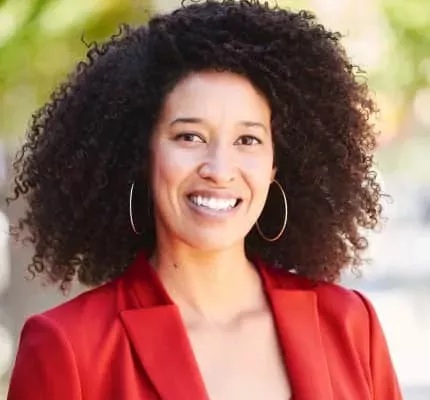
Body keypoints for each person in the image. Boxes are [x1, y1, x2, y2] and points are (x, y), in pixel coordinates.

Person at [7, 1, 402, 399]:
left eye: (247, 139)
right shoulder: (69, 347)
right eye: (190, 137)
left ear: (275, 166)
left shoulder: (351, 324)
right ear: (141, 155)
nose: (219, 169)